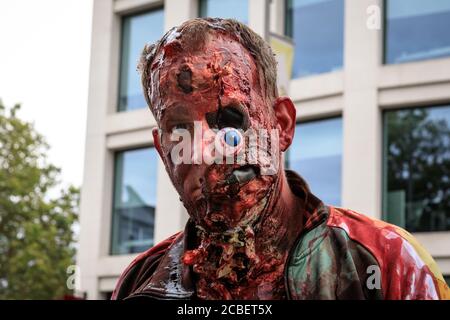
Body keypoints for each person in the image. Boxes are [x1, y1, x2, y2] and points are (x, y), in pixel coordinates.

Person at [111, 18, 450, 300]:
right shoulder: (138, 284)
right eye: (179, 128)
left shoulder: (387, 263)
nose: (203, 150)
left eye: (230, 118)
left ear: (283, 125)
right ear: (162, 149)